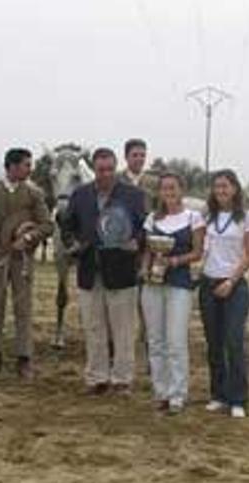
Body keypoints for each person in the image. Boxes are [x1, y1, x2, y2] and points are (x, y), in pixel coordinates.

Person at [61, 147, 146, 395]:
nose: (105, 174)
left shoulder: (133, 195)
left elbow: (144, 227)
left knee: (123, 329)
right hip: (89, 270)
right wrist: (72, 245)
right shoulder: (80, 195)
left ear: (115, 167)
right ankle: (97, 377)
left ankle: (122, 379)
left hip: (121, 271)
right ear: (94, 170)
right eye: (100, 170)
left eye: (109, 169)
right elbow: (67, 226)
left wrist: (136, 243)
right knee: (94, 327)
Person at [0, 148, 54, 379]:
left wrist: (29, 238)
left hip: (22, 260)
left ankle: (24, 358)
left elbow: (47, 225)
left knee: (23, 309)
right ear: (11, 166)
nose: (30, 169)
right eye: (26, 165)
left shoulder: (34, 194)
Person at [139, 172, 205, 414]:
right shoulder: (152, 219)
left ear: (181, 189)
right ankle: (161, 391)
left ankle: (178, 394)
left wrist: (175, 261)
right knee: (155, 341)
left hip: (179, 283)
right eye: (164, 188)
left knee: (175, 340)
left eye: (173, 188)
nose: (168, 192)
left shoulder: (193, 218)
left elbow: (198, 252)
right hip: (153, 285)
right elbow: (148, 250)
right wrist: (145, 269)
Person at [198, 170, 249, 419]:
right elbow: (203, 249)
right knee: (214, 342)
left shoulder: (248, 217)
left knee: (234, 342)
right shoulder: (208, 217)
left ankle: (238, 398)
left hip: (234, 285)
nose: (221, 191)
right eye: (217, 187)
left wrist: (231, 281)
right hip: (209, 283)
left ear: (235, 188)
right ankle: (218, 394)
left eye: (225, 186)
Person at [118, 138, 158, 212]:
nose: (139, 159)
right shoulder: (116, 181)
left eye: (142, 155)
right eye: (135, 155)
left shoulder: (155, 183)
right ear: (126, 157)